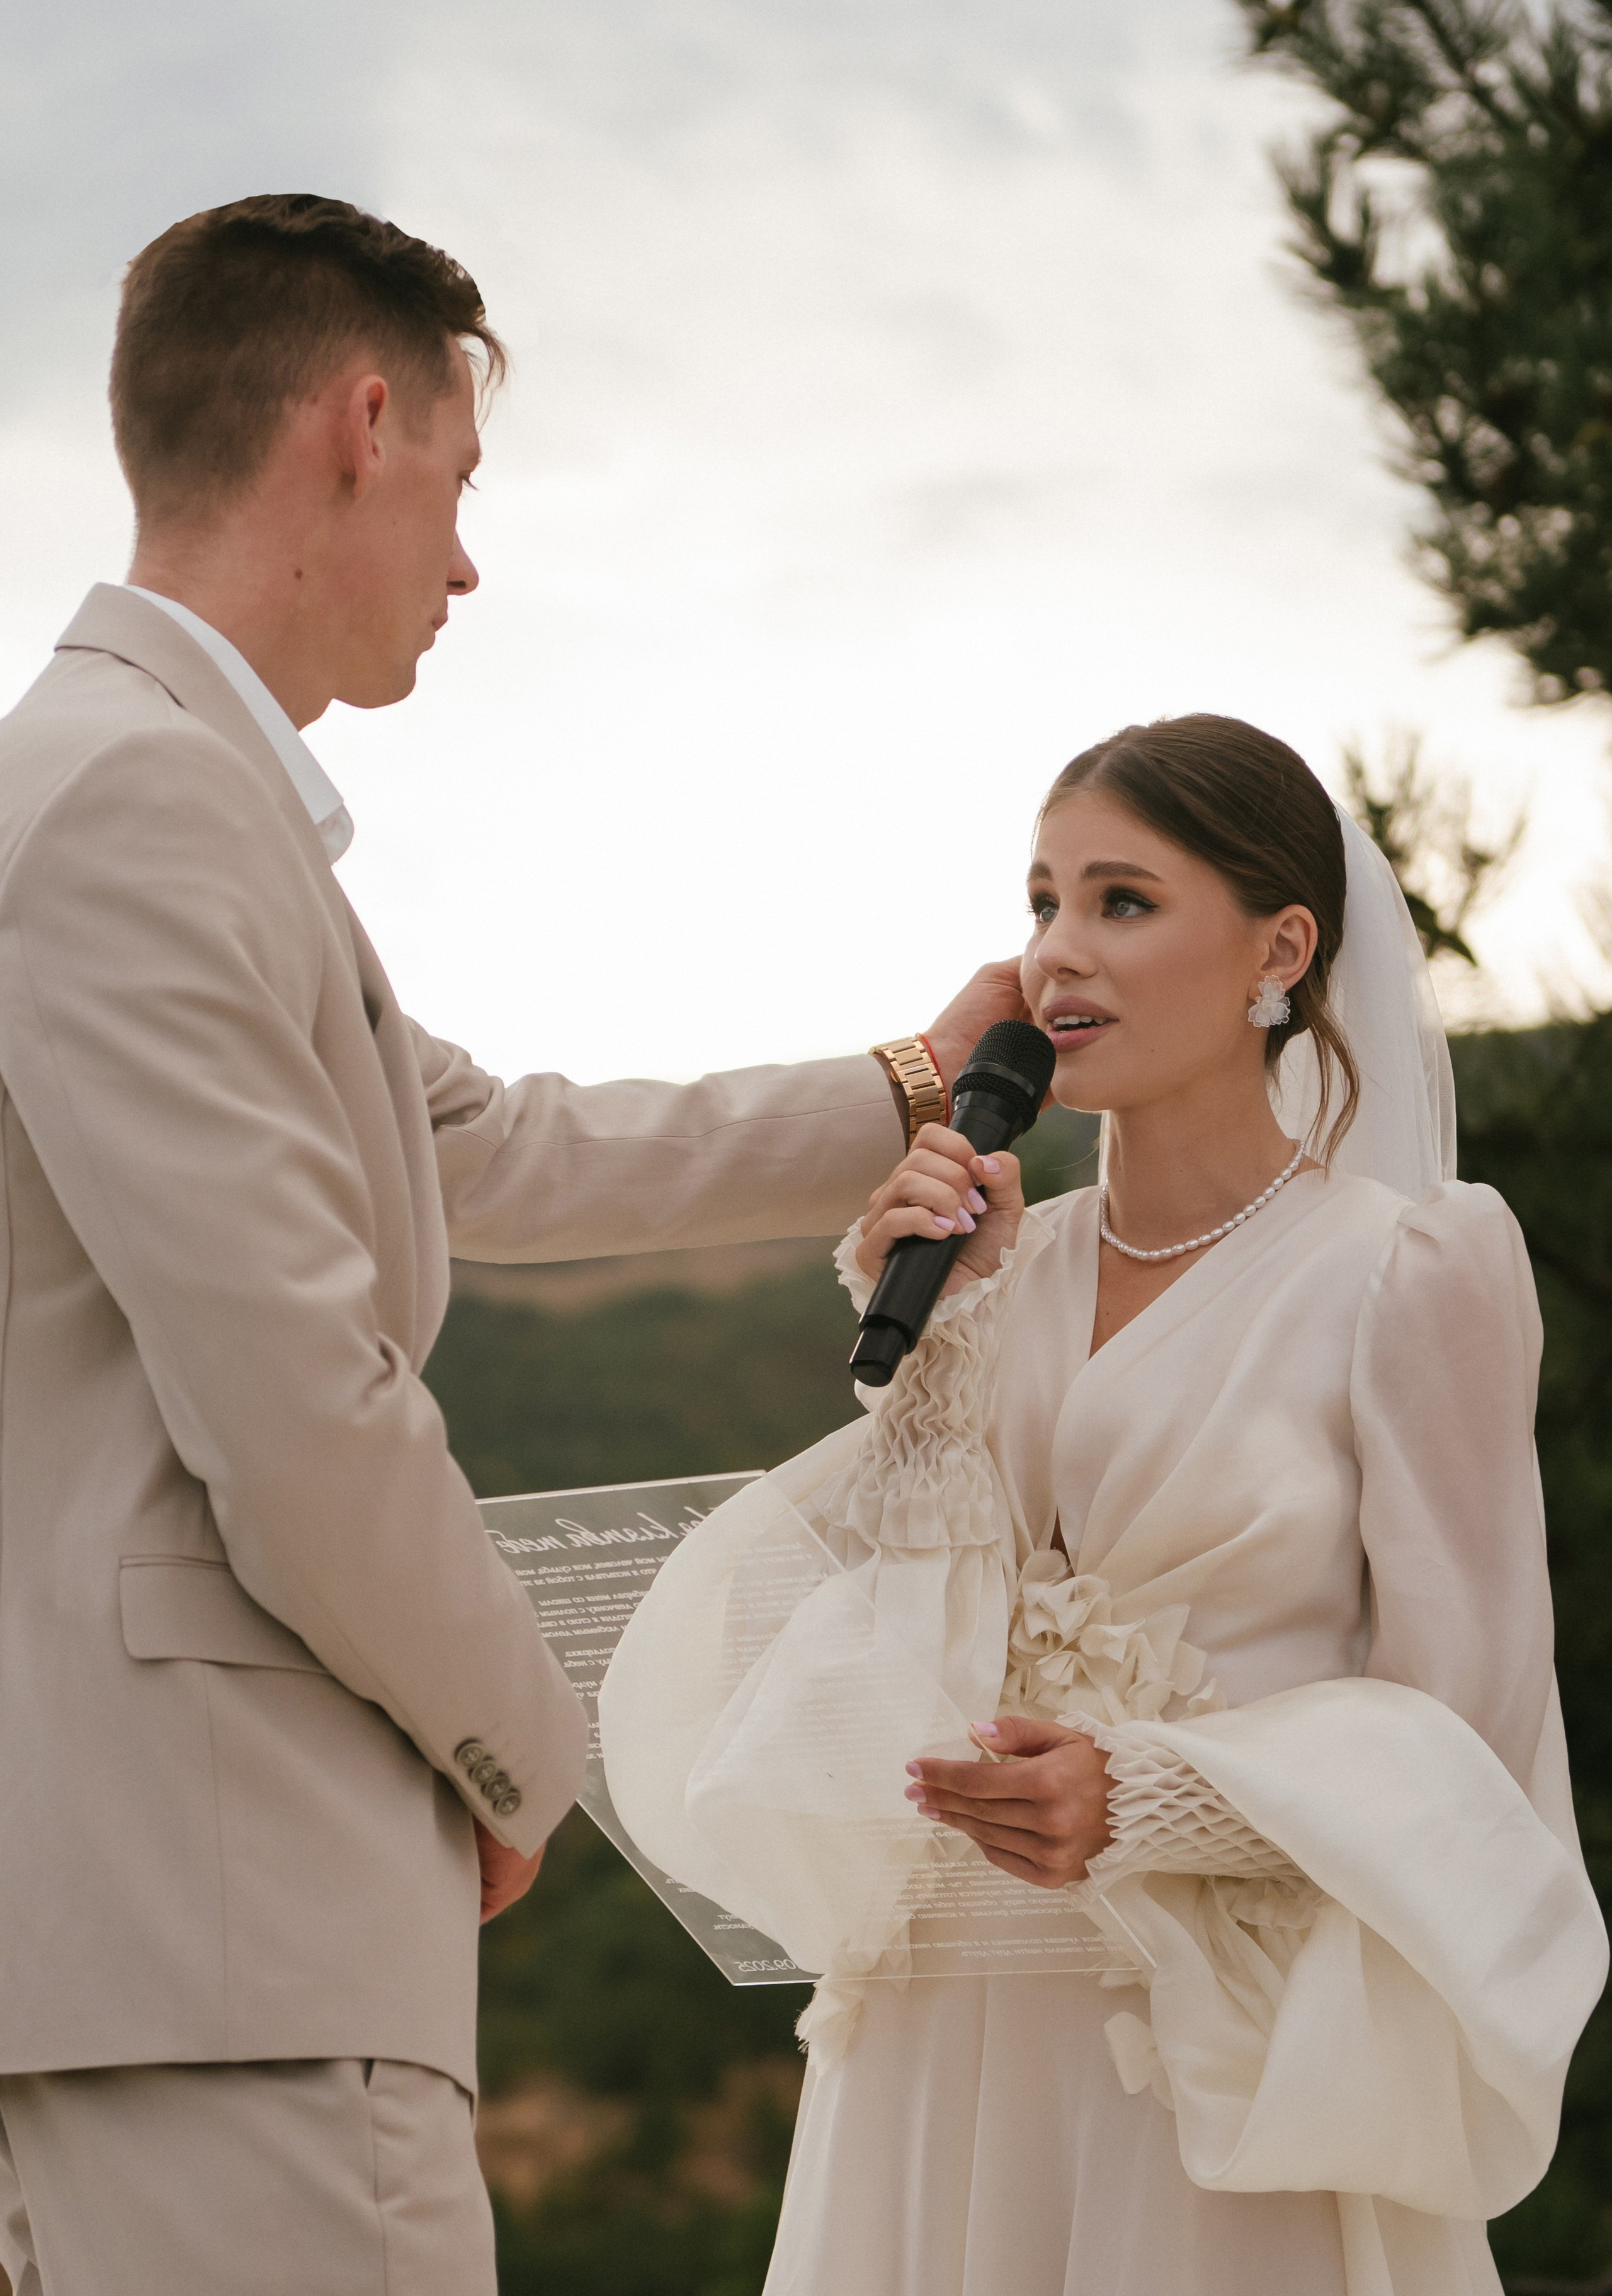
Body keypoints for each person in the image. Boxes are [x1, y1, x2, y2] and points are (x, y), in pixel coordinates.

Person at [0, 193, 1018, 2296]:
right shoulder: (138, 802)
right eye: (460, 486)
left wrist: (914, 1083)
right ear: (363, 424)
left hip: (135, 1930)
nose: (468, 564)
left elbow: (479, 1141)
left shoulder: (134, 786)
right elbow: (298, 1406)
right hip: (233, 1922)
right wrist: (525, 1743)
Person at [601, 714, 1609, 2296]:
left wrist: (1151, 1794)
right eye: (1040, 900)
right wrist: (931, 1334)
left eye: (1121, 900)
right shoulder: (1000, 1259)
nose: (1055, 952)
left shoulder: (1408, 1266)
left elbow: (1464, 1742)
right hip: (940, 2021)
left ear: (1280, 948)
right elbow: (898, 1655)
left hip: (1203, 2049)